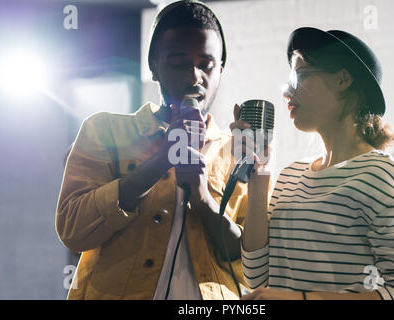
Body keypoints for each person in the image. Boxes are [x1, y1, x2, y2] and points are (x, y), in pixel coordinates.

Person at [56, 0, 249, 300]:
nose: (194, 76)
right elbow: (73, 230)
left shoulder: (238, 151)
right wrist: (157, 164)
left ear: (221, 70)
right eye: (178, 62)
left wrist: (203, 202)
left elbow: (253, 261)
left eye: (207, 65)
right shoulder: (104, 131)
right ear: (154, 67)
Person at [237, 27, 394, 300]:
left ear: (343, 79)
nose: (287, 91)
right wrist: (258, 180)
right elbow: (257, 277)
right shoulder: (290, 176)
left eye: (299, 75)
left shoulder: (380, 175)